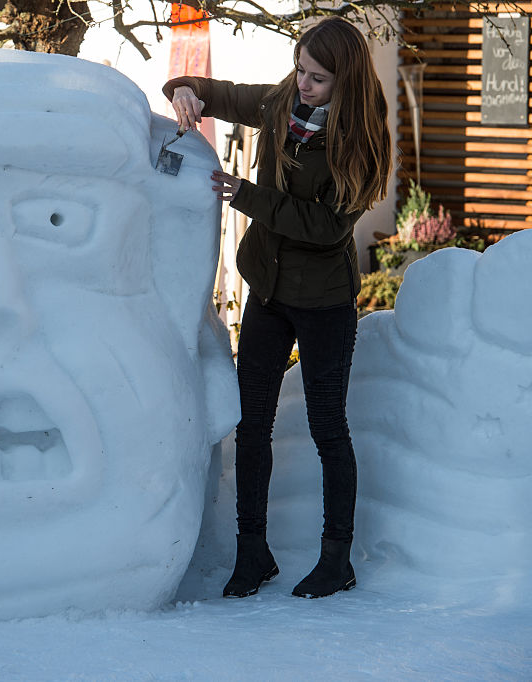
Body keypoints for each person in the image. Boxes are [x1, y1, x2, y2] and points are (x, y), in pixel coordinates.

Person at [164, 17, 391, 599]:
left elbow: (328, 227)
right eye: (300, 69)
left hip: (323, 303)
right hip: (267, 290)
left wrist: (248, 196)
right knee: (253, 424)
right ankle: (252, 553)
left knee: (327, 428)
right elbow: (220, 94)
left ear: (345, 81)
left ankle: (336, 558)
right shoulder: (282, 101)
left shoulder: (361, 140)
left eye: (317, 78)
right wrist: (185, 90)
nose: (303, 84)